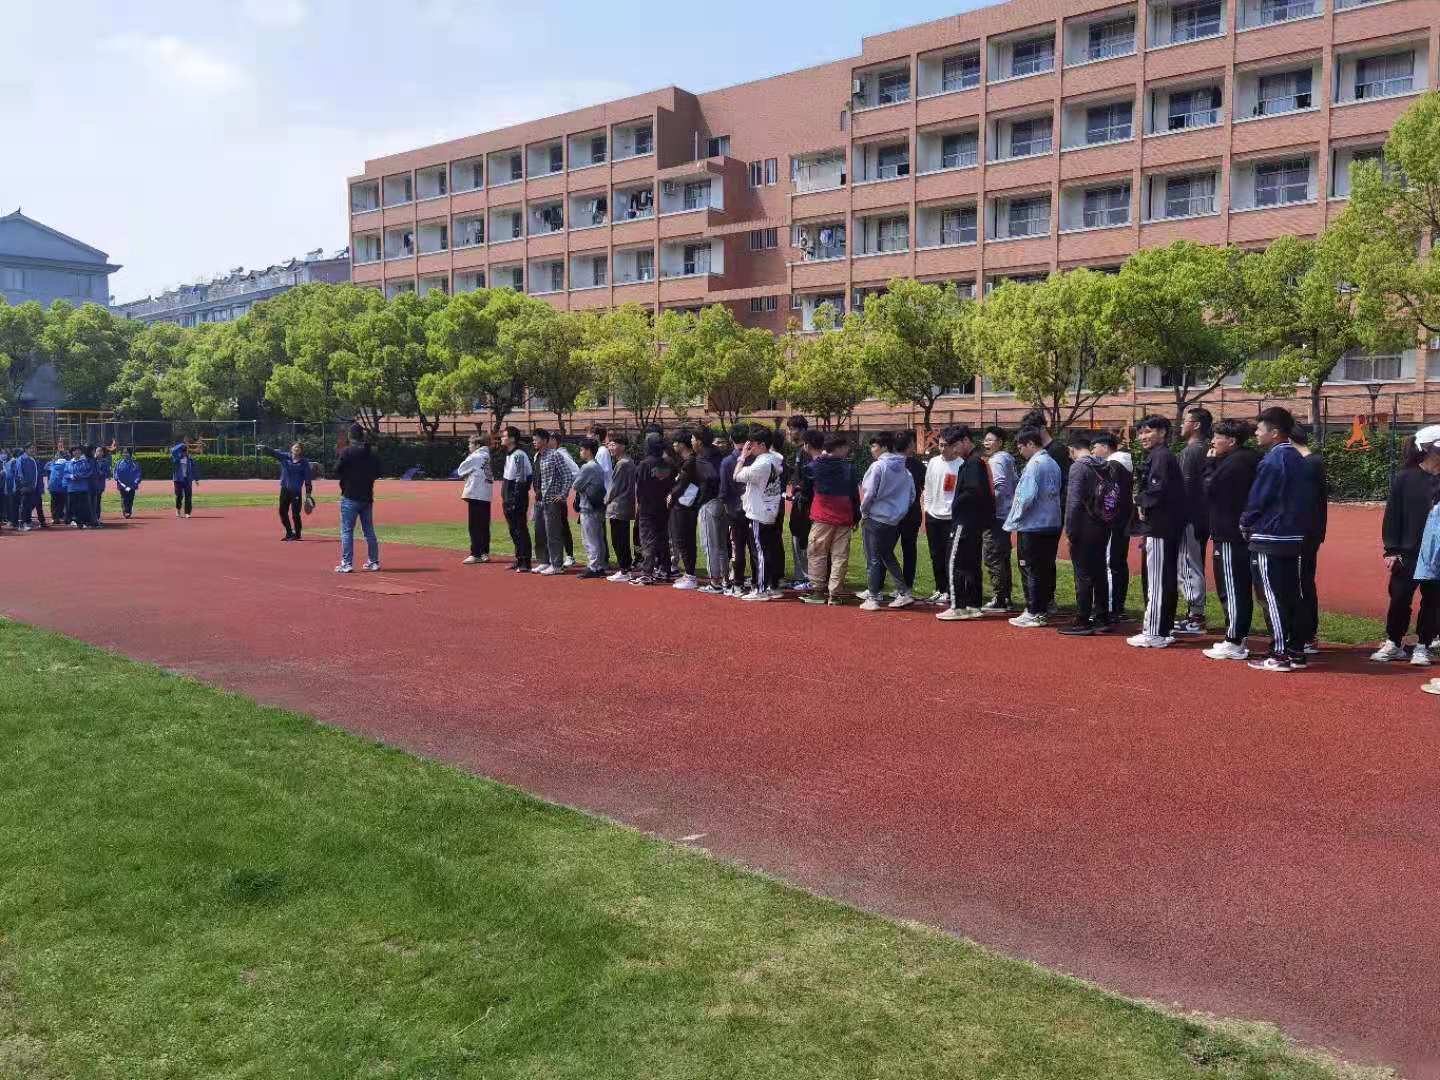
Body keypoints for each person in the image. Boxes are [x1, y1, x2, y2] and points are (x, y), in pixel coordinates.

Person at [1240, 406, 1314, 673]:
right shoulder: (1299, 458)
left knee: (1271, 595)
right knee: (1291, 594)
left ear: (1274, 432)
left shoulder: (1273, 460)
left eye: (1259, 429)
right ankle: (1295, 650)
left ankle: (1280, 653)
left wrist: (1245, 520)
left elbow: (1259, 497)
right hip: (1292, 536)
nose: (1256, 434)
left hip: (1270, 534)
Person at [1374, 426, 1440, 664]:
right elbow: (1393, 515)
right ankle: (1394, 642)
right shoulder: (1405, 478)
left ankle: (1423, 645)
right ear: (1428, 449)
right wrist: (1391, 549)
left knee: (1433, 601)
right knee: (1400, 598)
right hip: (1408, 551)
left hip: (1436, 554)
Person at [1201, 419, 1261, 661]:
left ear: (1232, 441)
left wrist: (1209, 464)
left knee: (1232, 587)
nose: (1213, 442)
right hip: (1236, 531)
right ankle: (1237, 636)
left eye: (1217, 437)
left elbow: (1210, 489)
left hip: (1229, 533)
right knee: (1238, 586)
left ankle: (1234, 639)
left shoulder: (1235, 463)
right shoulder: (1246, 458)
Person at [1128, 415, 1187, 650]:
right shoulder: (1160, 456)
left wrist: (1139, 501)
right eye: (1140, 432)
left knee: (1157, 580)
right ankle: (1164, 628)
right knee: (1165, 578)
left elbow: (1157, 490)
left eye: (1148, 431)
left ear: (1162, 432)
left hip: (1160, 527)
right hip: (1165, 527)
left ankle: (1154, 631)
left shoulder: (1161, 456)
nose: (1143, 437)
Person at [1004, 428, 1062, 628]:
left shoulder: (1034, 465)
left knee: (1030, 568)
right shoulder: (1052, 463)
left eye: (1021, 447)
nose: (1020, 451)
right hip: (1051, 523)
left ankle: (1034, 611)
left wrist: (1014, 519)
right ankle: (1044, 607)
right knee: (1045, 568)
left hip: (1033, 525)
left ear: (1030, 444)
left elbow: (1026, 496)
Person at [936, 426, 995, 622]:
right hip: (973, 521)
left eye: (954, 445)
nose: (952, 450)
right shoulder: (974, 461)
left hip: (965, 521)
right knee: (971, 563)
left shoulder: (973, 463)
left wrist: (956, 505)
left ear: (965, 441)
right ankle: (973, 604)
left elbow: (974, 491)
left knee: (954, 561)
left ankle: (958, 605)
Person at [1060, 431, 1116, 635]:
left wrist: (1069, 531)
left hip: (1084, 525)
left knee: (1082, 573)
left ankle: (1083, 618)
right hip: (1103, 523)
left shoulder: (1079, 467)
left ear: (1071, 449)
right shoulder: (1105, 465)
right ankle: (1102, 616)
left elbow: (1074, 502)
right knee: (1099, 571)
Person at [857, 431, 915, 612]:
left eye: (874, 446)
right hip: (893, 520)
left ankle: (873, 597)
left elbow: (869, 493)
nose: (872, 450)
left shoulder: (878, 467)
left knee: (874, 558)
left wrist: (864, 512)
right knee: (886, 556)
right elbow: (912, 495)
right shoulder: (905, 469)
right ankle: (903, 592)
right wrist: (898, 511)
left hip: (875, 517)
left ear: (884, 447)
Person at [803, 432, 861, 605]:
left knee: (817, 554)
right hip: (844, 517)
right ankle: (834, 593)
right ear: (839, 448)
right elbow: (854, 495)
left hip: (822, 517)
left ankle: (817, 591)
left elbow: (806, 492)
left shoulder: (813, 467)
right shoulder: (849, 468)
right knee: (840, 556)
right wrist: (856, 516)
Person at [735, 426, 787, 600]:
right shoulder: (775, 459)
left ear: (762, 445)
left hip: (759, 512)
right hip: (770, 509)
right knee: (768, 550)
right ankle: (771, 586)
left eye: (753, 444)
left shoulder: (762, 464)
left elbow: (736, 475)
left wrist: (742, 457)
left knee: (760, 552)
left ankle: (761, 589)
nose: (750, 447)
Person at [1175, 407, 1213, 634]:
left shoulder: (1192, 451)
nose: (1181, 424)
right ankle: (1195, 614)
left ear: (1196, 425)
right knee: (1193, 563)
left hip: (1190, 517)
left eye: (1185, 421)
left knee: (1189, 564)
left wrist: (1179, 515)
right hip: (1202, 516)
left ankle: (1195, 617)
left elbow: (1186, 488)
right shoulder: (1207, 448)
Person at [1090, 432, 1134, 622]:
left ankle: (1110, 607)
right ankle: (1117, 607)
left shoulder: (1113, 466)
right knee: (1118, 563)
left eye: (1094, 447)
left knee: (1111, 563)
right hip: (1122, 521)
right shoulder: (1124, 464)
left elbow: (1109, 496)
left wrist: (1101, 516)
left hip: (1113, 522)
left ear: (1106, 447)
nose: (1092, 452)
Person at [1292, 424, 1328, 657]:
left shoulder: (1309, 463)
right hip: (1308, 532)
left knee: (1302, 583)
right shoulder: (1312, 462)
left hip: (1304, 534)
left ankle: (1306, 635)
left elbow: (1308, 502)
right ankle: (1305, 633)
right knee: (1303, 582)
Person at [333, 423, 382, 574]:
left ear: (350, 436)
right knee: (369, 531)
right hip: (367, 496)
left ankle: (347, 563)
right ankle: (373, 561)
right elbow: (378, 472)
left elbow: (336, 470)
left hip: (350, 495)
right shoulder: (371, 452)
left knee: (347, 531)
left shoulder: (347, 451)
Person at [923, 429, 964, 606]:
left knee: (951, 557)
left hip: (951, 518)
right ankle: (940, 589)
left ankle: (950, 590)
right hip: (933, 515)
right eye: (940, 445)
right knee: (935, 554)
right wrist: (927, 508)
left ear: (955, 446)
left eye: (946, 446)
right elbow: (928, 486)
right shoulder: (933, 462)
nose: (942, 449)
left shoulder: (961, 465)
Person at [981, 426, 1017, 612]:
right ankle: (1005, 597)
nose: (986, 443)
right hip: (1004, 515)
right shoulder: (1008, 459)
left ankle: (1000, 598)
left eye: (990, 440)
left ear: (1000, 442)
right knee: (1002, 556)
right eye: (985, 440)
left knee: (993, 556)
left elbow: (999, 487)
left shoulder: (997, 460)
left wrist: (987, 506)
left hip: (996, 516)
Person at [633, 432, 675, 586]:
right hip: (663, 506)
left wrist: (639, 503)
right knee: (663, 539)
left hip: (647, 507)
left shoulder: (644, 464)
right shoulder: (668, 464)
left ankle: (647, 573)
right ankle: (665, 570)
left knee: (647, 540)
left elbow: (640, 486)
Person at [719, 424, 755, 597]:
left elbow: (724, 491)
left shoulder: (727, 462)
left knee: (738, 548)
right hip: (754, 509)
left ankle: (738, 583)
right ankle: (757, 582)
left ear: (731, 439)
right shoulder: (756, 459)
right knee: (755, 547)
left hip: (735, 510)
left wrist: (728, 509)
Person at [694, 428, 729, 594]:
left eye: (693, 439)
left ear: (699, 441)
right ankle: (725, 579)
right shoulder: (719, 455)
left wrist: (699, 500)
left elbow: (709, 479)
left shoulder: (702, 459)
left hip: (709, 503)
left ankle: (715, 582)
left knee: (710, 544)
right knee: (721, 544)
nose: (692, 442)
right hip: (722, 503)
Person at [535, 428, 575, 576]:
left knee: (553, 533)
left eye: (536, 439)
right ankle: (544, 561)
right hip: (540, 500)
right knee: (540, 533)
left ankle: (556, 564)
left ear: (545, 440)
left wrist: (562, 495)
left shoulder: (555, 455)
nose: (534, 441)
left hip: (552, 500)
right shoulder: (537, 456)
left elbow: (568, 475)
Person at [257, 441, 314, 541]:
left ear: (301, 451)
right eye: (295, 447)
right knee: (282, 512)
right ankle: (289, 532)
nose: (296, 449)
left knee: (295, 514)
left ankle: (297, 534)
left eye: (299, 448)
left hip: (296, 492)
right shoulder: (285, 457)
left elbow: (308, 479)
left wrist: (308, 494)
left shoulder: (304, 463)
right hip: (285, 490)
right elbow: (274, 453)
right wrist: (264, 448)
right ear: (291, 448)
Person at [894, 431, 927, 598]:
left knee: (897, 550)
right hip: (902, 513)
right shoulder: (916, 465)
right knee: (903, 550)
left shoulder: (916, 466)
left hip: (902, 513)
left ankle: (904, 586)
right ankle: (903, 586)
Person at [668, 430, 703, 590]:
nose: (673, 445)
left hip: (685, 506)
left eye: (675, 442)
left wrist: (672, 495)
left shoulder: (690, 462)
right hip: (683, 505)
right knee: (682, 539)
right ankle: (689, 574)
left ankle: (690, 575)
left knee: (684, 539)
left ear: (682, 444)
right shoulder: (686, 461)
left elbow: (682, 484)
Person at [1021, 409, 1069, 520]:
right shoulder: (1035, 450)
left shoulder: (1058, 450)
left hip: (1051, 513)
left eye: (1032, 430)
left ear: (1042, 428)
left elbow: (1063, 482)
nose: (1030, 435)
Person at [573, 437, 610, 579]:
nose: (580, 452)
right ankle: (599, 565)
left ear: (588, 451)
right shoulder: (598, 466)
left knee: (590, 539)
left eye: (582, 449)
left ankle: (593, 566)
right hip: (597, 506)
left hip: (588, 507)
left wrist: (583, 487)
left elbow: (576, 485)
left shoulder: (587, 467)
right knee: (598, 538)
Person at [454, 434, 493, 564]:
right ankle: (484, 552)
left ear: (477, 445)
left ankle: (475, 553)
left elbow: (461, 470)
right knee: (484, 524)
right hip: (486, 493)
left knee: (475, 525)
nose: (469, 446)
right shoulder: (487, 456)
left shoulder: (475, 456)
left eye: (470, 444)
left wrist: (468, 474)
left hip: (476, 493)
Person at [501, 427, 534, 572]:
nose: (502, 438)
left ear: (512, 439)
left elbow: (522, 479)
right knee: (513, 529)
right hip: (508, 497)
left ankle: (525, 561)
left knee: (520, 529)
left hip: (516, 498)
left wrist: (515, 498)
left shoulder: (519, 455)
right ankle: (519, 558)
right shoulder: (510, 454)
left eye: (504, 436)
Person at [603, 434, 636, 581]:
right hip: (624, 506)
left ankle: (624, 570)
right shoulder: (628, 462)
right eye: (609, 445)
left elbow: (615, 487)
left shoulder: (623, 463)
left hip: (618, 507)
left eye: (613, 444)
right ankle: (625, 569)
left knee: (619, 540)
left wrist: (605, 500)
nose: (610, 448)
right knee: (621, 538)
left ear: (622, 446)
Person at [784, 415, 811, 588]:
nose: (789, 432)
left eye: (792, 429)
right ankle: (800, 576)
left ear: (802, 430)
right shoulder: (799, 451)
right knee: (797, 535)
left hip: (805, 504)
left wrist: (799, 492)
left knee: (802, 538)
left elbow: (808, 479)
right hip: (799, 501)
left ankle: (806, 578)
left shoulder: (806, 452)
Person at [10, 445, 40, 531]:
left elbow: (34, 474)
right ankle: (21, 524)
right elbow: (19, 473)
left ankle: (26, 522)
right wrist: (23, 485)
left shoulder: (32, 460)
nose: (32, 450)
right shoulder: (20, 459)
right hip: (23, 487)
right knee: (23, 506)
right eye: (31, 448)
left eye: (33, 448)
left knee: (28, 505)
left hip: (31, 487)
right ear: (26, 449)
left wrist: (33, 485)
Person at [65, 446, 95, 528]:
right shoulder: (68, 463)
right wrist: (71, 476)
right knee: (73, 506)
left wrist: (81, 476)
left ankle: (84, 522)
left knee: (83, 506)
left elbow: (90, 472)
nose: (77, 452)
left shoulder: (85, 462)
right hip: (72, 488)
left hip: (82, 487)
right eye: (75, 451)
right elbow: (65, 474)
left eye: (79, 451)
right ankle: (74, 521)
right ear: (72, 453)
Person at [170, 440, 200, 519]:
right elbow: (173, 450)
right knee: (179, 496)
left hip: (187, 480)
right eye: (183, 451)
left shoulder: (190, 459)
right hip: (178, 479)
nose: (184, 453)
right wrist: (182, 444)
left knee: (188, 496)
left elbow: (194, 469)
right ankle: (178, 509)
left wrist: (196, 479)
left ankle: (187, 512)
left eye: (185, 451)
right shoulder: (176, 458)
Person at [113, 447, 143, 520]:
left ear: (130, 454)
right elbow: (115, 472)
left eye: (127, 453)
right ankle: (125, 511)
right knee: (124, 498)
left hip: (132, 486)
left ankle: (129, 511)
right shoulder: (119, 463)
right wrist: (116, 477)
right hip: (122, 485)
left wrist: (136, 481)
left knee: (130, 499)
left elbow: (138, 473)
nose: (125, 454)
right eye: (124, 453)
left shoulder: (135, 463)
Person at [91, 444, 112, 524]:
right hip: (91, 485)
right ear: (95, 452)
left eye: (100, 451)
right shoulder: (92, 461)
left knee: (97, 502)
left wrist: (101, 473)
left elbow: (107, 473)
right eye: (97, 451)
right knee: (91, 502)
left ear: (103, 453)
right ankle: (91, 518)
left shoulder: (105, 462)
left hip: (99, 485)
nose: (99, 453)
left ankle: (97, 518)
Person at [48, 449, 69, 525]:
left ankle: (55, 517)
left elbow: (46, 469)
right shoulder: (67, 463)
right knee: (62, 502)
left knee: (55, 503)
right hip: (63, 487)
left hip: (54, 486)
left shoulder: (52, 464)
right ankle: (61, 516)